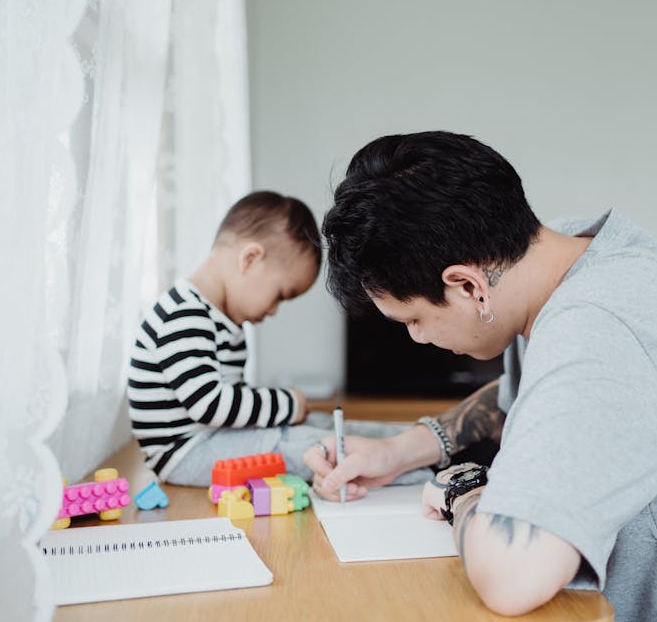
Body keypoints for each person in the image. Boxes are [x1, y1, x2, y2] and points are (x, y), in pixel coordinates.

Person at [306, 132, 657, 620]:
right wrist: (403, 450)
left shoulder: (595, 334)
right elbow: (532, 403)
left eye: (413, 320)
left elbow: (512, 577)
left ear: (467, 285)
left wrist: (463, 487)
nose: (416, 338)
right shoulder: (565, 255)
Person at [127, 190, 432, 486]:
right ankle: (422, 471)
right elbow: (209, 404)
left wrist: (287, 411)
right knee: (309, 446)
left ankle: (410, 445)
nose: (273, 311)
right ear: (250, 259)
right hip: (185, 452)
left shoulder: (219, 318)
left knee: (324, 426)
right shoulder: (184, 314)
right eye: (280, 296)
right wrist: (286, 403)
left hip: (210, 438)